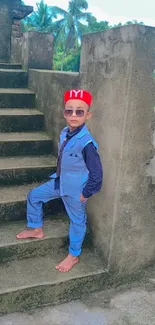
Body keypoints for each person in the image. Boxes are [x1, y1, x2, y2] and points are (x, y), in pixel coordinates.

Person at [16, 89, 103, 272]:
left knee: (77, 221)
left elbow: (97, 174)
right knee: (34, 196)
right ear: (64, 113)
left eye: (79, 111)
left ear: (88, 115)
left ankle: (73, 255)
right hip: (59, 182)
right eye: (68, 110)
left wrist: (84, 194)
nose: (73, 115)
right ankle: (36, 228)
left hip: (75, 190)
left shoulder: (86, 143)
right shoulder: (65, 132)